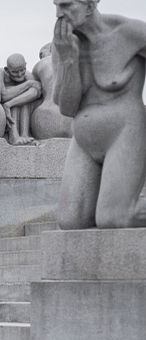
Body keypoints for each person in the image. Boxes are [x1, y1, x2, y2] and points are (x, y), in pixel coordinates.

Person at [52, 0, 146, 228]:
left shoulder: (130, 32)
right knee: (70, 221)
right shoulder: (63, 45)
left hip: (125, 130)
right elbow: (67, 108)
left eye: (66, 5)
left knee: (113, 218)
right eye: (55, 5)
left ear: (90, 4)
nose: (58, 14)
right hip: (84, 140)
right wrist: (68, 60)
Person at [30, 43, 74, 139]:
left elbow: (32, 89)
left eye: (41, 55)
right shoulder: (74, 63)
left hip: (46, 116)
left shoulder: (41, 64)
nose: (41, 58)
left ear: (50, 50)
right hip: (73, 118)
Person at [1, 54, 42, 145]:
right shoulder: (1, 75)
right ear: (7, 70)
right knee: (17, 103)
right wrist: (28, 84)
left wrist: (9, 104)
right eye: (15, 72)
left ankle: (24, 134)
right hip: (5, 111)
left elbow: (37, 91)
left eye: (22, 70)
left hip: (15, 106)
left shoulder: (28, 75)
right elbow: (4, 95)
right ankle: (14, 136)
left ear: (25, 65)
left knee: (23, 101)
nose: (19, 75)